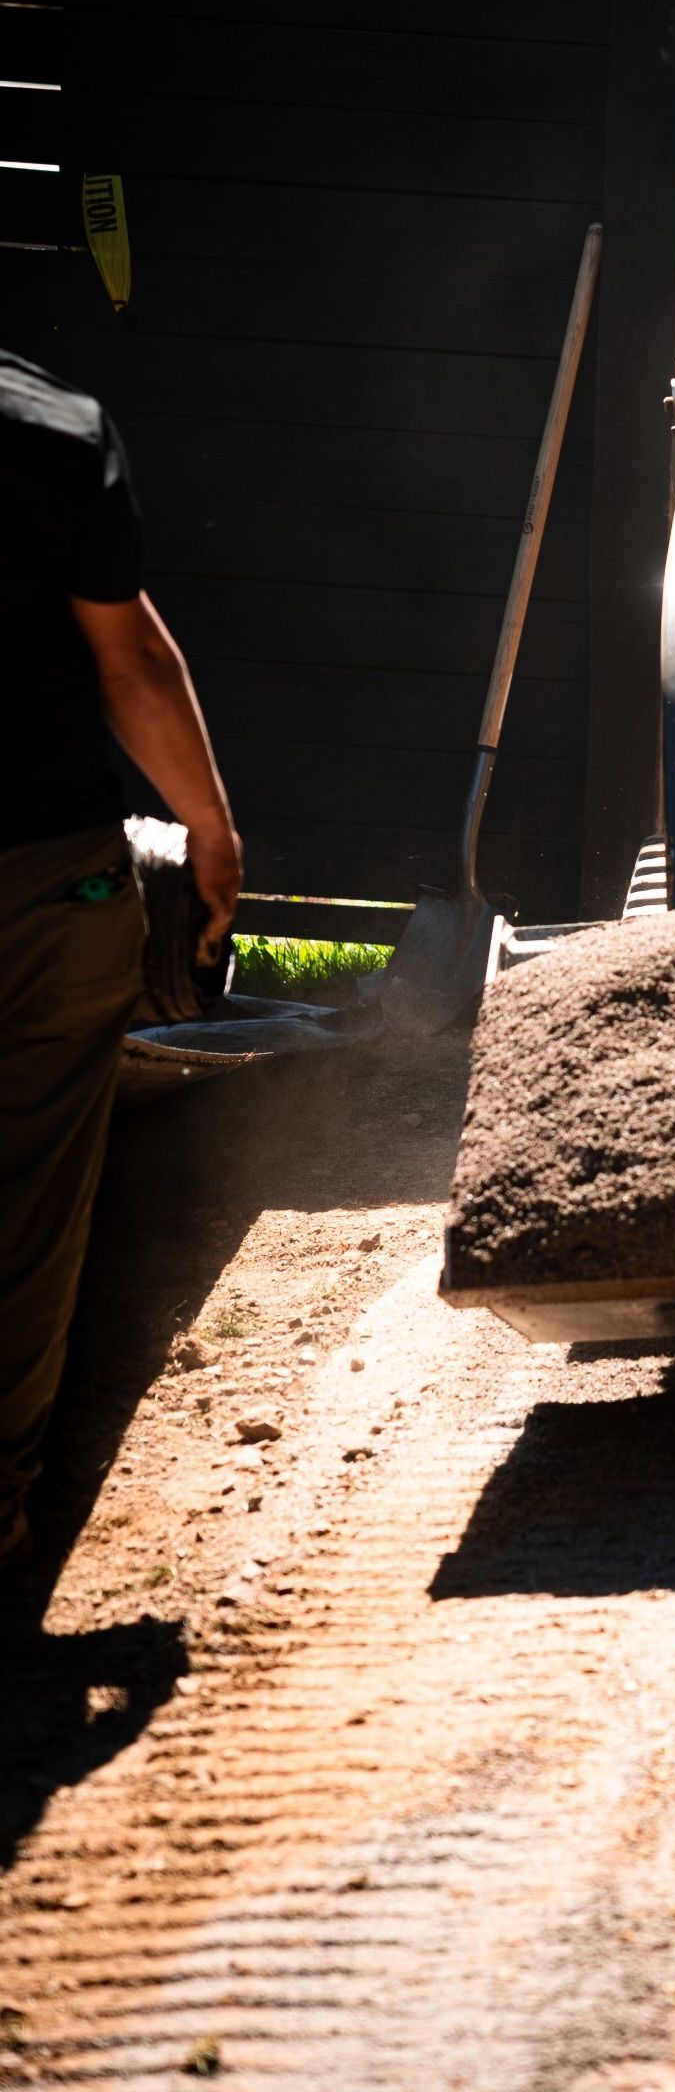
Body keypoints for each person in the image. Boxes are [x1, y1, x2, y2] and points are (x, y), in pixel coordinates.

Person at [0, 348, 241, 1576]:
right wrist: (210, 834)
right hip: (40, 885)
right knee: (25, 1209)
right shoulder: (45, 427)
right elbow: (132, 663)